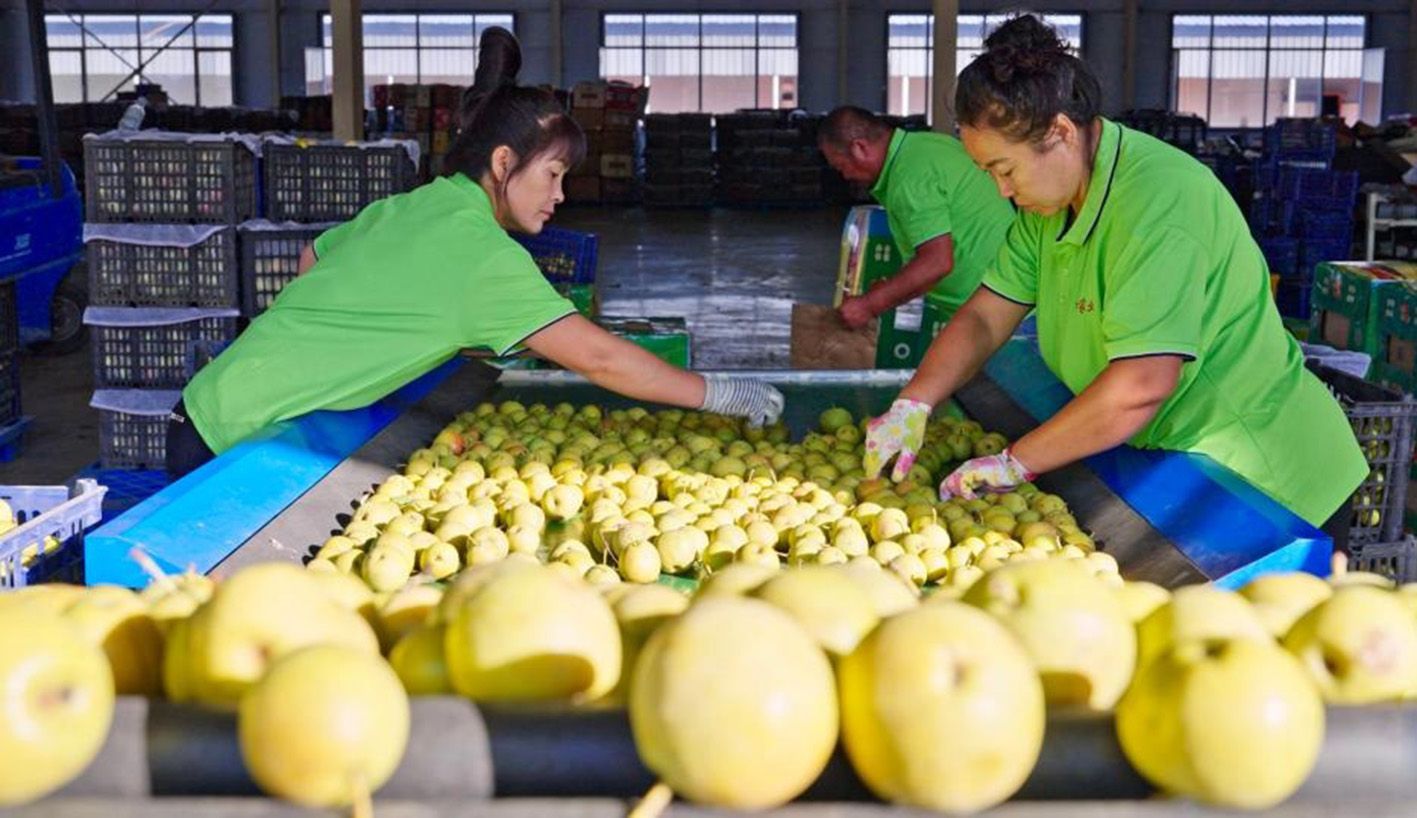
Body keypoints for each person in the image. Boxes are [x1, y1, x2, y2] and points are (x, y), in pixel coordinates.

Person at [168, 29, 783, 477]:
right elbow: (600, 359)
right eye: (553, 175)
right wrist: (721, 394)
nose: (561, 196)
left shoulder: (421, 203)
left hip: (212, 400)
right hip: (232, 441)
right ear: (503, 162)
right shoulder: (485, 256)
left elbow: (312, 261)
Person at [863, 14, 1366, 540]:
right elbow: (986, 317)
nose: (1001, 191)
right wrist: (914, 401)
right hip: (1184, 462)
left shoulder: (1158, 203)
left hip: (1268, 479)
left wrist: (1016, 462)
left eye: (1005, 169)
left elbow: (1141, 385)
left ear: (1060, 132)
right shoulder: (1050, 207)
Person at [818, 106, 1015, 336]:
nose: (846, 176)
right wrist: (890, 289)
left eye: (842, 167)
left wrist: (869, 305)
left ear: (859, 148)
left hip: (1002, 314)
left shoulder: (908, 177)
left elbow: (936, 262)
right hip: (1005, 297)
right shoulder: (924, 146)